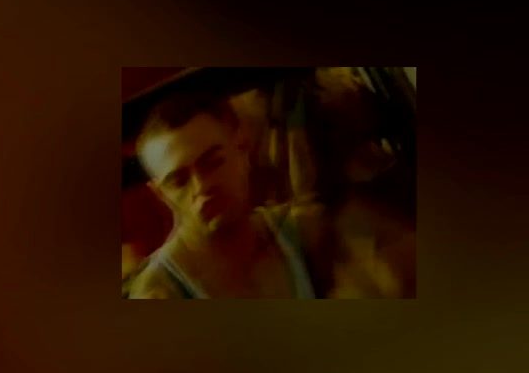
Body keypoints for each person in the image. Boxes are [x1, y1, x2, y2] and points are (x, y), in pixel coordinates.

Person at [125, 89, 414, 299]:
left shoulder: (302, 229)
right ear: (160, 193)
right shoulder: (158, 292)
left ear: (242, 149)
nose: (201, 188)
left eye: (213, 163)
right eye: (179, 181)